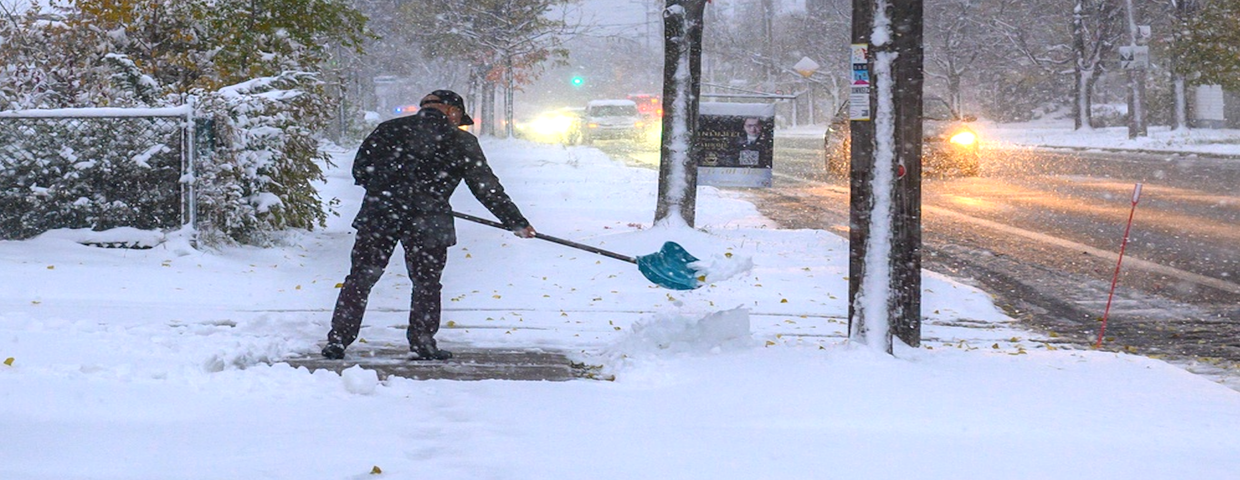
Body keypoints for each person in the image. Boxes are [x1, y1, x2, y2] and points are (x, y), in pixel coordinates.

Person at [322, 90, 536, 361]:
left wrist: (389, 191)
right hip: (429, 221)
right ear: (451, 111)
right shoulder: (461, 141)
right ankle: (422, 342)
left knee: (361, 278)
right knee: (426, 283)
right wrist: (516, 222)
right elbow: (486, 188)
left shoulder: (388, 130)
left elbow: (361, 170)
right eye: (459, 117)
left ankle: (339, 340)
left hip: (380, 216)